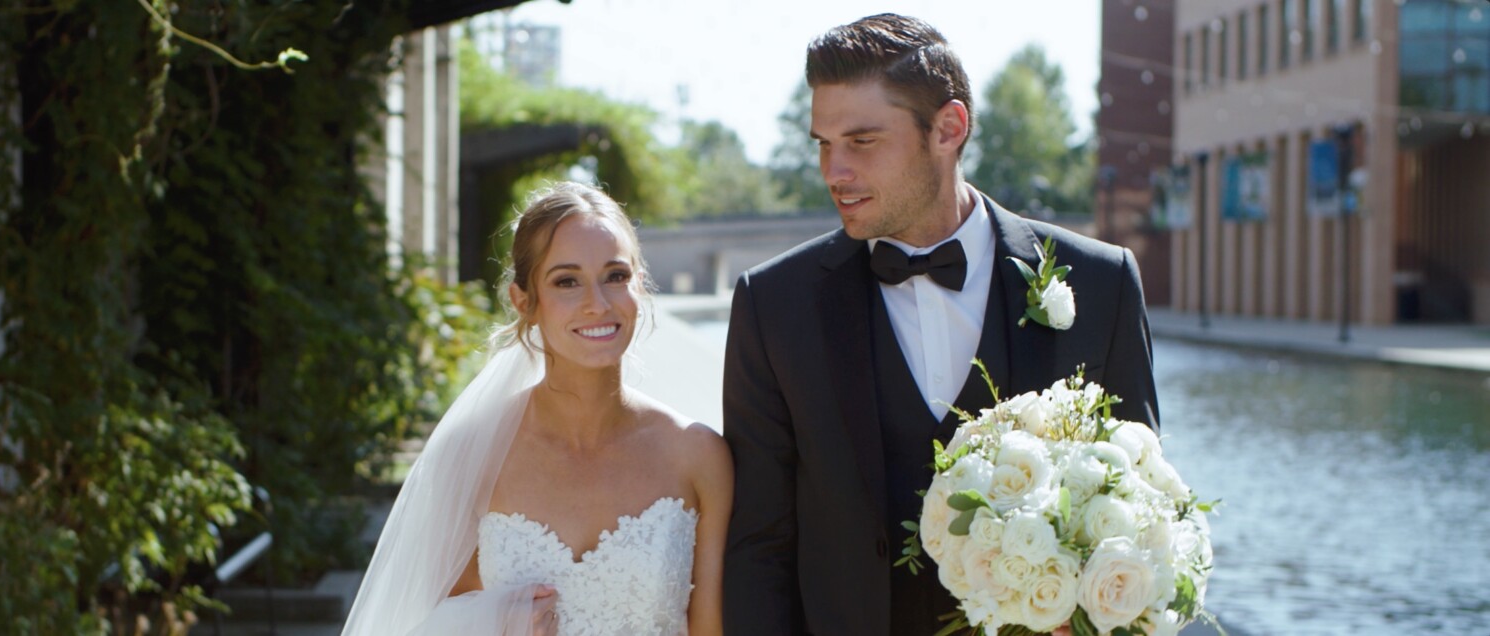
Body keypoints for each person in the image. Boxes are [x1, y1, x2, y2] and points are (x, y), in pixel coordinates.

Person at [722, 14, 1158, 636]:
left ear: (948, 129)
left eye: (862, 142)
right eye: (823, 143)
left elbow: (1138, 511)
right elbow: (757, 547)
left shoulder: (1102, 285)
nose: (833, 171)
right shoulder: (773, 304)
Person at [344, 181, 732, 636]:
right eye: (567, 281)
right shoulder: (471, 456)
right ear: (524, 301)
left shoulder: (699, 456)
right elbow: (422, 620)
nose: (598, 304)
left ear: (639, 287)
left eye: (616, 276)